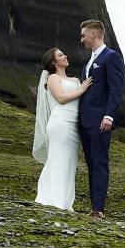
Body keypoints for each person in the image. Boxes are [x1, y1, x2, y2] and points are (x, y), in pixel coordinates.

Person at [33, 48, 92, 210]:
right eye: (60, 55)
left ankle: (65, 202)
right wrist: (81, 90)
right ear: (53, 62)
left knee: (69, 162)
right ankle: (52, 198)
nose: (65, 56)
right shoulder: (52, 78)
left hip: (73, 126)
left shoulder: (74, 80)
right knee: (58, 159)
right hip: (60, 124)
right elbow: (60, 98)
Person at [77, 19, 124, 217]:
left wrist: (109, 116)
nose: (82, 39)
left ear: (94, 34)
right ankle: (93, 206)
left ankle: (98, 209)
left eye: (83, 35)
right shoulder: (89, 61)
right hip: (85, 121)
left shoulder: (111, 57)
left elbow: (116, 88)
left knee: (100, 162)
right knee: (91, 163)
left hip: (100, 120)